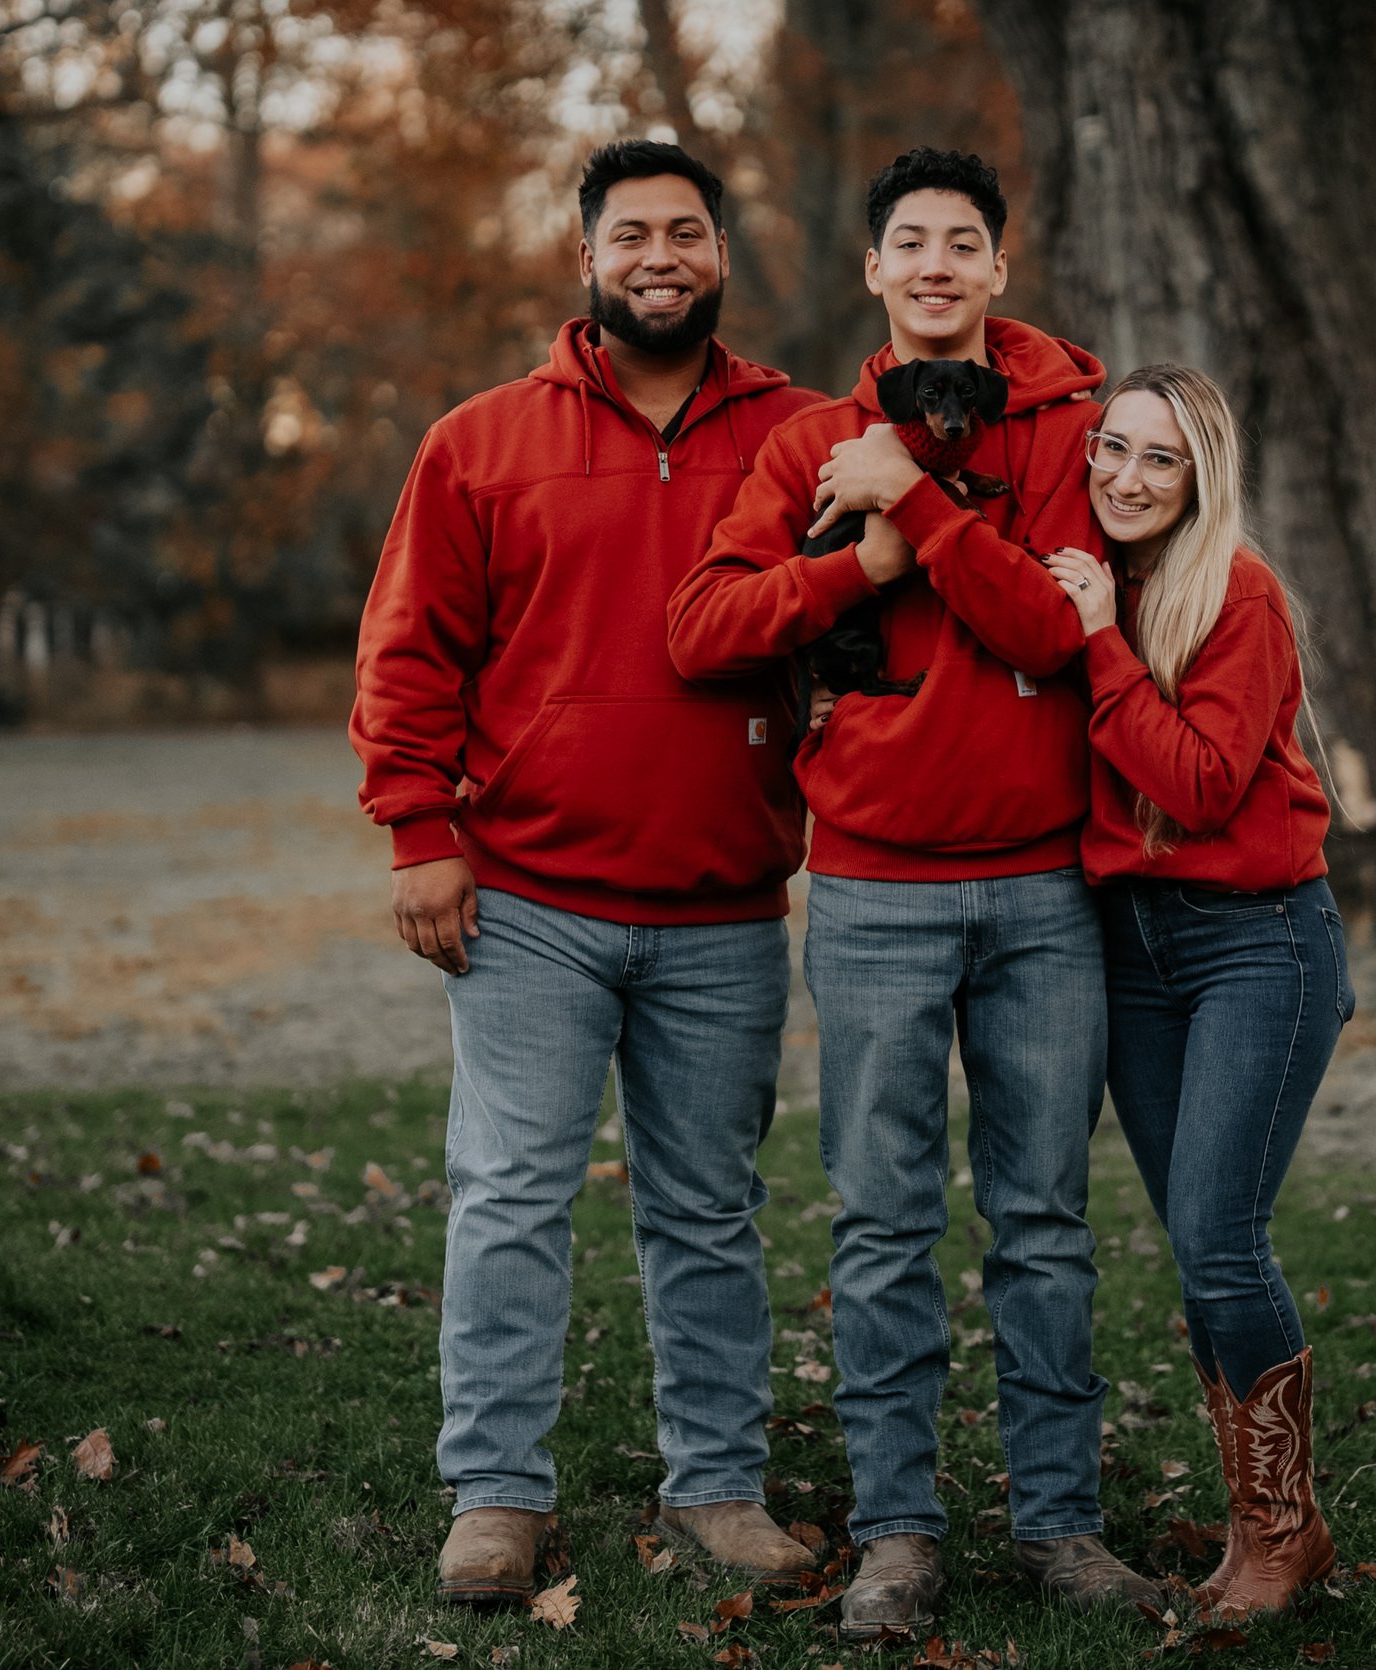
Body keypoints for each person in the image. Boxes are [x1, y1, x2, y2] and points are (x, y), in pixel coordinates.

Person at [667, 149, 1161, 1637]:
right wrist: (860, 547)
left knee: (1044, 1220)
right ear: (872, 273)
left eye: (964, 241)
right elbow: (706, 626)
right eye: (909, 243)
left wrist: (925, 507)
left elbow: (1059, 633)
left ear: (999, 269)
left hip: (1044, 893)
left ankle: (1061, 1524)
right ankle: (898, 1528)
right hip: (876, 890)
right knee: (881, 1225)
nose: (937, 262)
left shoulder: (1077, 437)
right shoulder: (811, 442)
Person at [350, 140, 827, 1608]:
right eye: (633, 234)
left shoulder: (804, 436)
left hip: (724, 899)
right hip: (532, 900)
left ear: (724, 257)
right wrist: (420, 831)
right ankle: (496, 1493)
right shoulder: (481, 440)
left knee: (708, 1206)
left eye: (688, 231)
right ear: (587, 260)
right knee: (506, 1192)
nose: (661, 255)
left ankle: (720, 1485)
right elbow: (410, 648)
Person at [1041, 364, 1352, 1620]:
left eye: (1157, 459)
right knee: (1196, 1244)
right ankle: (1251, 1527)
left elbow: (1207, 782)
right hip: (1134, 944)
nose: (1124, 475)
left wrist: (1100, 650)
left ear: (1200, 474)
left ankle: (1286, 1529)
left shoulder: (1238, 594)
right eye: (1110, 447)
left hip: (1256, 943)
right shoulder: (1091, 579)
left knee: (1224, 1236)